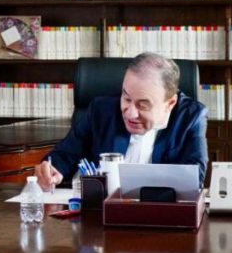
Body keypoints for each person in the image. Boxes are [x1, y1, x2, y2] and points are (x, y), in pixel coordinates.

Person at [35, 52, 208, 189]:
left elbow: (194, 178)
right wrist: (52, 169)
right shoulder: (101, 110)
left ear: (170, 104)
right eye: (126, 98)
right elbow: (66, 154)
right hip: (102, 212)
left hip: (160, 214)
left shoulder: (191, 117)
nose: (131, 114)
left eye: (143, 105)